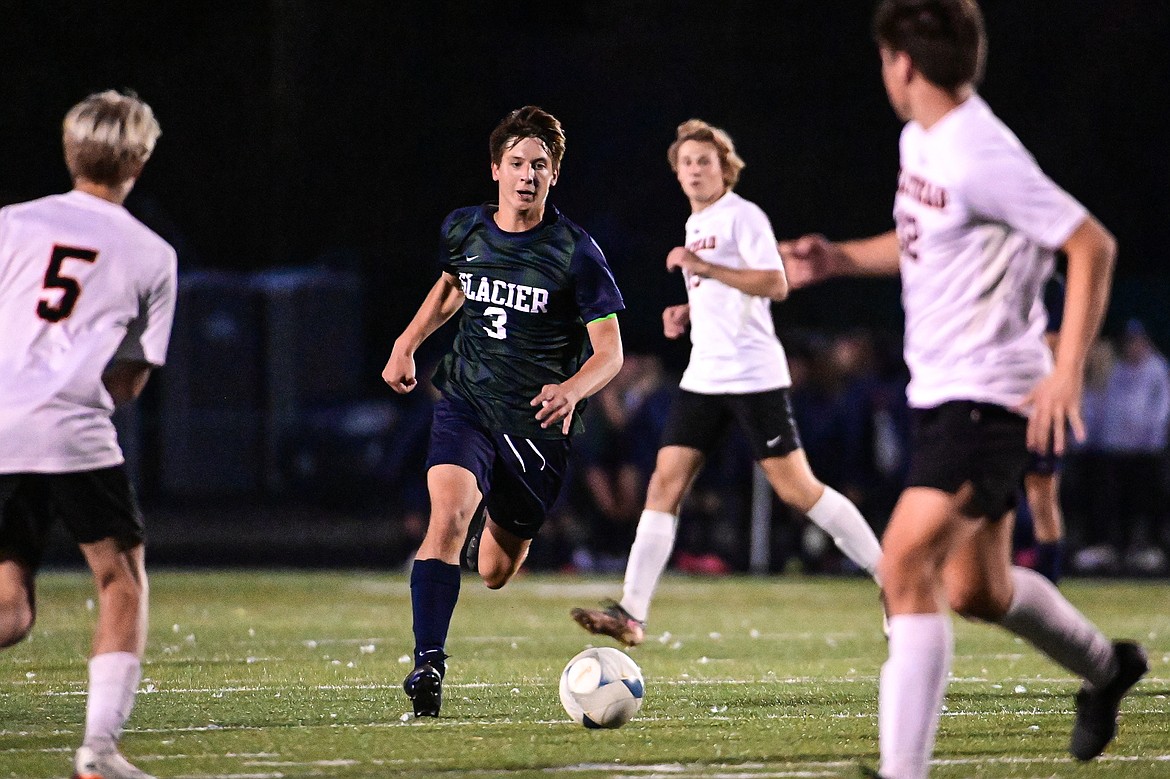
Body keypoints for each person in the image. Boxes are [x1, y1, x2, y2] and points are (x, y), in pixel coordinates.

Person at [779, 2, 1147, 776]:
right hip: (943, 394)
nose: (884, 72)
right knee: (977, 588)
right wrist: (839, 258)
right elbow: (923, 241)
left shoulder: (981, 153)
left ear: (903, 64)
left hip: (991, 398)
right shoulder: (924, 140)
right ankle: (1109, 668)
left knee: (903, 564)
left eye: (885, 59)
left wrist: (1066, 368)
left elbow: (1092, 245)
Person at [571, 119, 883, 647]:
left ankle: (891, 578)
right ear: (677, 171)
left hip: (753, 374)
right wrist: (688, 310)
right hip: (705, 374)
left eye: (705, 161)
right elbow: (724, 290)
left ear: (725, 169)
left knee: (799, 490)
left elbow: (775, 283)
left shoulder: (743, 216)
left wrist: (704, 270)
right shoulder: (697, 224)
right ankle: (632, 612)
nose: (695, 169)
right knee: (664, 484)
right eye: (687, 162)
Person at [382, 106, 624, 718]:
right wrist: (406, 342)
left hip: (536, 428)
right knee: (447, 517)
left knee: (493, 569)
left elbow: (610, 353)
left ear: (554, 175)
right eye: (516, 163)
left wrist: (571, 389)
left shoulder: (575, 252)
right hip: (466, 402)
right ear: (495, 169)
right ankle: (428, 665)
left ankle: (488, 530)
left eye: (539, 165)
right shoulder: (465, 229)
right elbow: (451, 286)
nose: (527, 175)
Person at [0, 91, 177, 779]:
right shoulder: (152, 253)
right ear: (139, 156)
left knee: (10, 609)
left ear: (71, 149)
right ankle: (99, 752)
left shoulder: (12, 223)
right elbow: (127, 383)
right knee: (120, 580)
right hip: (71, 426)